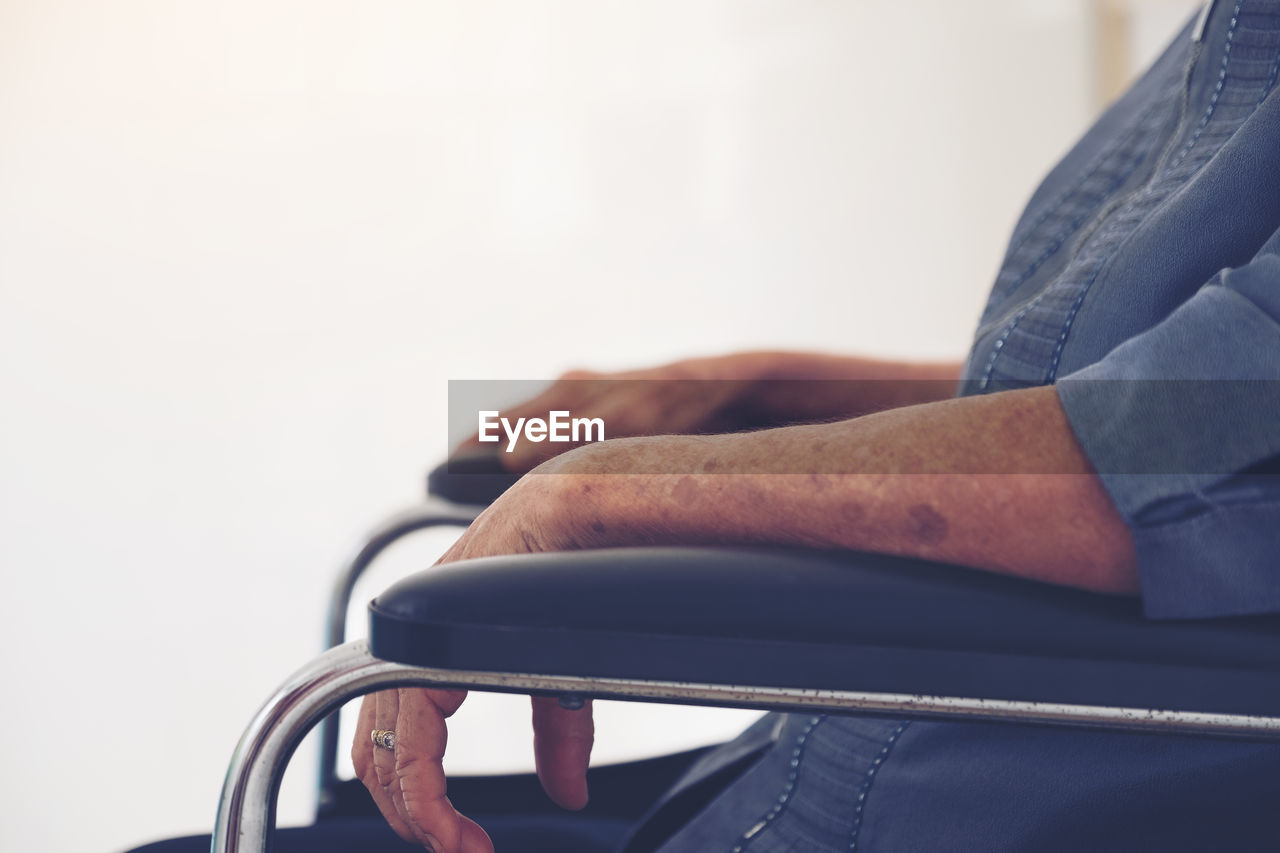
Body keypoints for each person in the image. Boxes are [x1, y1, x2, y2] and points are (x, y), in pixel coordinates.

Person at [131, 1, 1280, 851]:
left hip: (940, 809)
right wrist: (730, 392)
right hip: (790, 765)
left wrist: (602, 492)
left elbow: (1188, 449)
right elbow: (1101, 386)